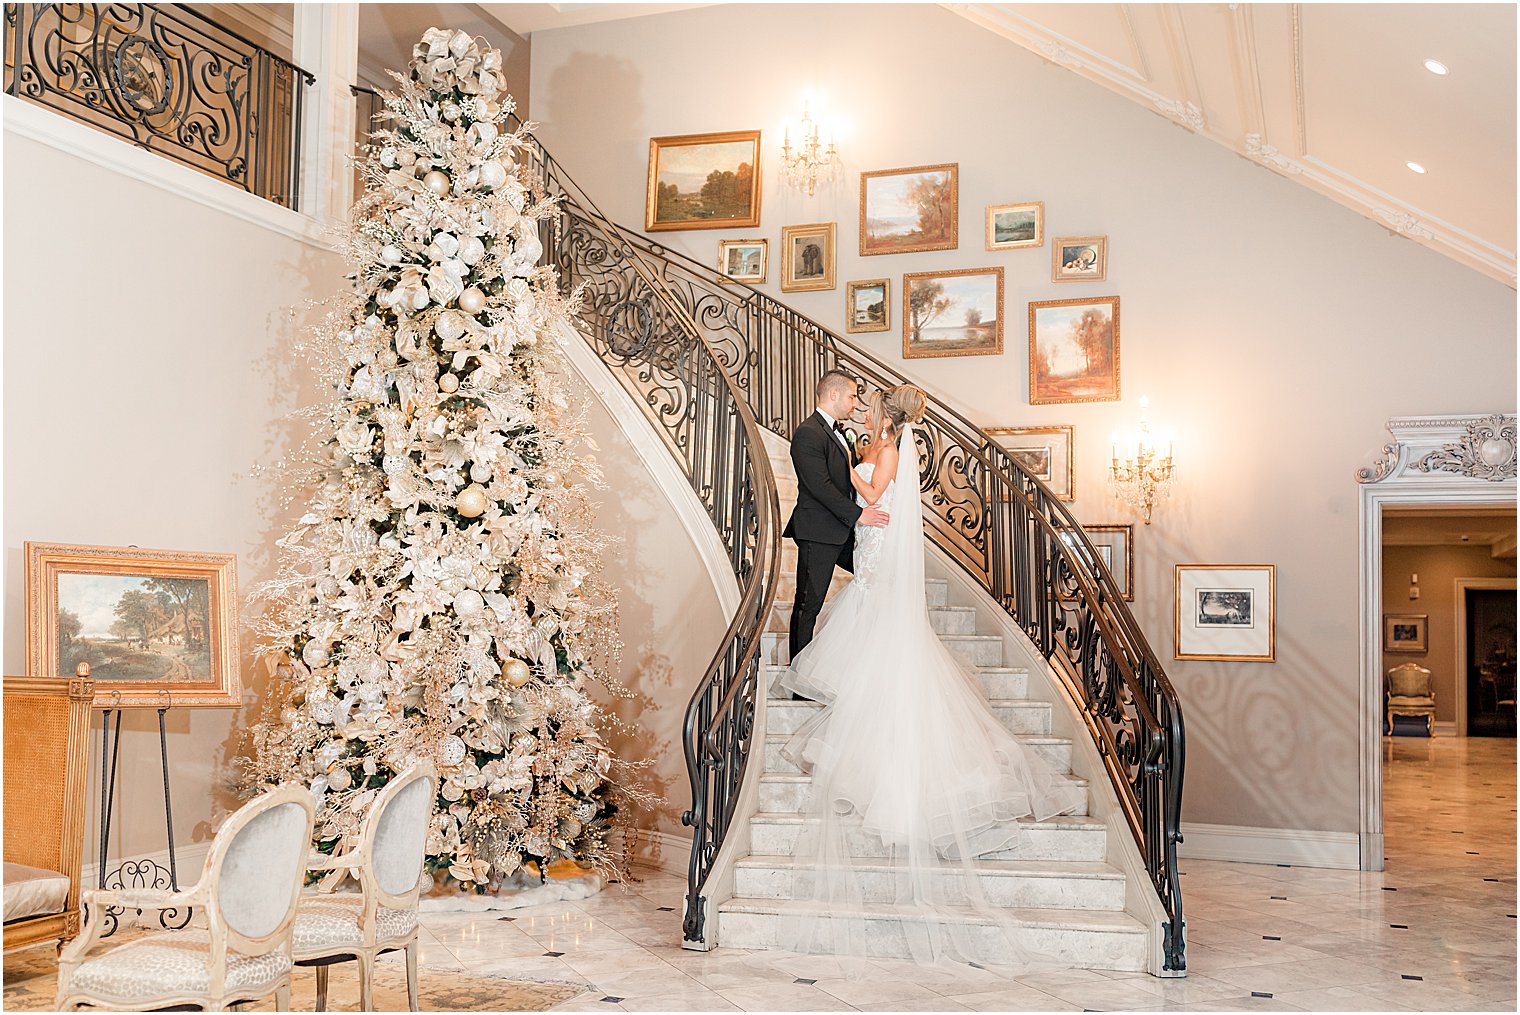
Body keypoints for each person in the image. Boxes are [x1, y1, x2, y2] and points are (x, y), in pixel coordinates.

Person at [778, 382, 1087, 969]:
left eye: (868, 406)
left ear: (882, 413)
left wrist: (857, 480)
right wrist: (857, 480)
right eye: (857, 403)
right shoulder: (874, 440)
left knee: (858, 612)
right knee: (840, 608)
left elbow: (874, 488)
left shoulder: (890, 449)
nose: (862, 410)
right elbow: (862, 487)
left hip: (869, 532)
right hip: (865, 538)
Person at [783, 370, 890, 683]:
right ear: (833, 394)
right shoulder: (808, 433)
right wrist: (859, 514)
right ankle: (798, 679)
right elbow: (820, 485)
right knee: (808, 605)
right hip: (818, 532)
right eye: (852, 396)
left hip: (841, 532)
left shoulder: (837, 432)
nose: (855, 403)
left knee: (873, 581)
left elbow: (844, 478)